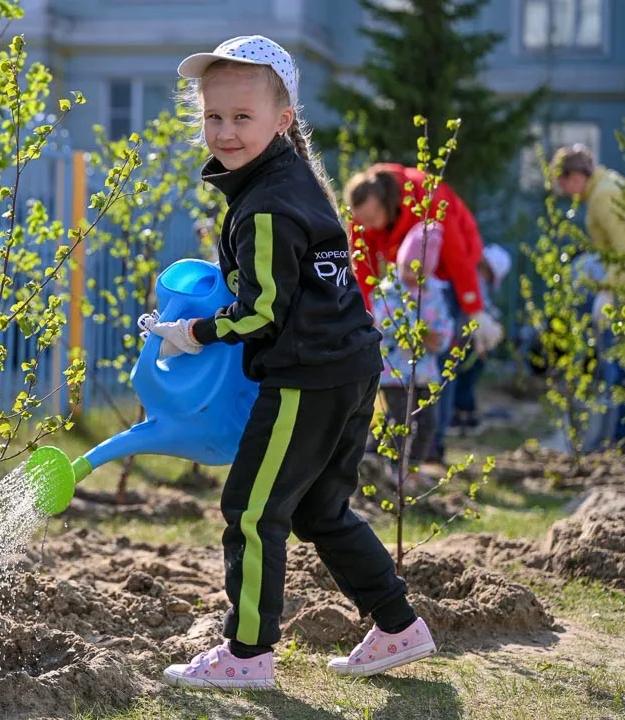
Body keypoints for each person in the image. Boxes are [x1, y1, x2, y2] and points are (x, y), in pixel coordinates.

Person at [139, 35, 437, 691]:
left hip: (309, 377)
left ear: (282, 121)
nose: (224, 131)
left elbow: (262, 312)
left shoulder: (267, 201)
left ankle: (246, 654)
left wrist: (193, 331)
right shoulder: (291, 183)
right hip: (353, 366)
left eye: (242, 118)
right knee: (319, 512)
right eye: (213, 116)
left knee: (250, 510)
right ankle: (398, 626)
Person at [343, 163, 503, 358]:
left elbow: (457, 258)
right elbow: (363, 266)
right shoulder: (364, 215)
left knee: (447, 345)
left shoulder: (427, 197)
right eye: (362, 221)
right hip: (415, 277)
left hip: (454, 272)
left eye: (372, 217)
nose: (367, 226)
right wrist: (367, 317)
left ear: (388, 202)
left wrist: (474, 309)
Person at [370, 222, 454, 485]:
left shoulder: (434, 292)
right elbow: (384, 325)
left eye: (417, 271)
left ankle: (413, 467)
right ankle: (393, 468)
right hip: (394, 372)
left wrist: (438, 340)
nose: (410, 275)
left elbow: (445, 325)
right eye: (407, 268)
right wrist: (417, 334)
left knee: (428, 423)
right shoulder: (389, 290)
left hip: (426, 371)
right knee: (399, 422)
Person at [552, 144, 625, 449]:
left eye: (563, 182)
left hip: (620, 295)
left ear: (575, 175)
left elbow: (622, 251)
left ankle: (617, 444)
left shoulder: (603, 195)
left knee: (616, 371)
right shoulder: (607, 185)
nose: (565, 191)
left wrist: (608, 294)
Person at [445, 243, 512, 436]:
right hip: (460, 336)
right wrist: (480, 342)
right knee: (461, 373)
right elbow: (471, 310)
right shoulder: (473, 278)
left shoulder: (475, 277)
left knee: (461, 373)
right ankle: (460, 411)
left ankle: (461, 411)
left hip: (463, 334)